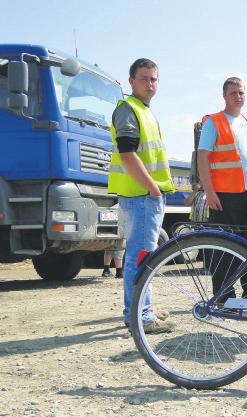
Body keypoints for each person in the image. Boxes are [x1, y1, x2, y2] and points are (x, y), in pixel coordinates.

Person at [108, 58, 175, 334]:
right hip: (142, 195)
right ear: (131, 81)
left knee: (141, 255)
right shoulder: (128, 109)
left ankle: (138, 309)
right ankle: (141, 316)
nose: (150, 84)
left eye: (154, 79)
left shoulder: (144, 111)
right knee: (141, 255)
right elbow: (127, 153)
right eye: (145, 78)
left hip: (144, 195)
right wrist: (152, 187)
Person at [197, 76, 247, 300]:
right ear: (224, 96)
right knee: (224, 248)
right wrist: (209, 192)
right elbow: (202, 157)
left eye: (241, 93)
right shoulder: (214, 122)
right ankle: (223, 295)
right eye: (233, 93)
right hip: (224, 196)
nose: (238, 97)